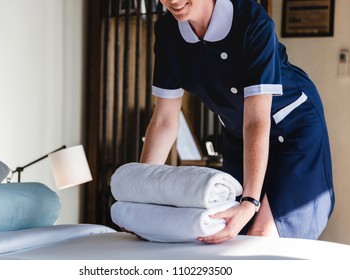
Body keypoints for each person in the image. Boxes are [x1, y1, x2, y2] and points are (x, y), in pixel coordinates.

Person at [139, 0, 335, 244]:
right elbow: (164, 120)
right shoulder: (168, 32)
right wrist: (139, 196)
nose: (173, 1)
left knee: (261, 235)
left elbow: (256, 120)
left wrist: (250, 202)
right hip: (239, 135)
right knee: (228, 236)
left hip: (294, 130)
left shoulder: (251, 22)